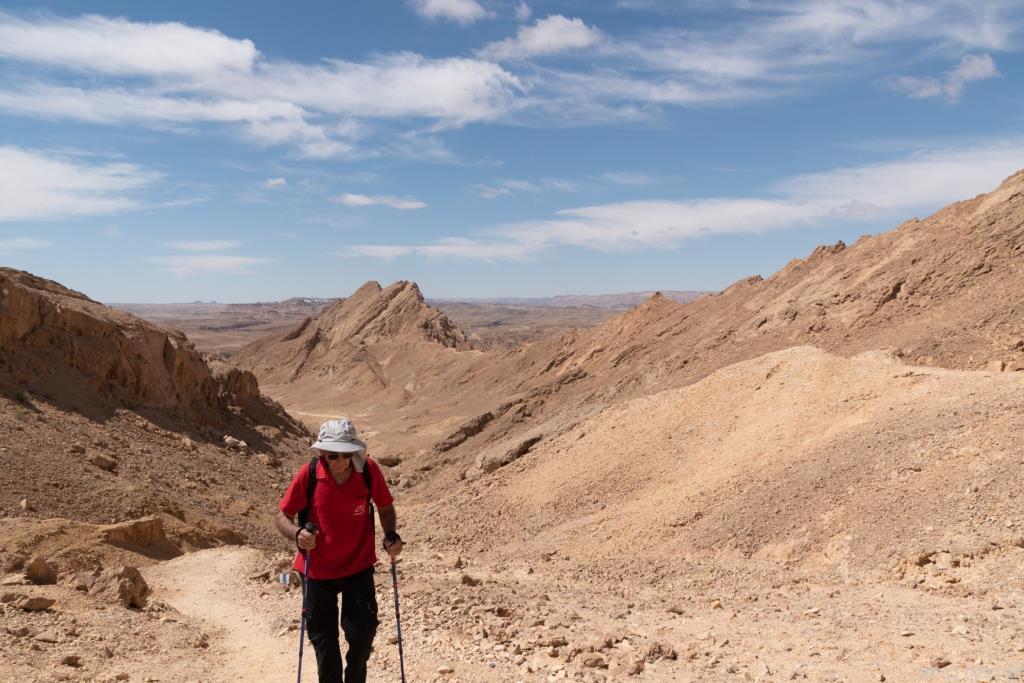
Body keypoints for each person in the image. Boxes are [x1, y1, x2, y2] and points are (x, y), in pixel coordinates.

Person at [276, 418, 404, 683]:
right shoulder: (309, 474)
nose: (340, 461)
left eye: (346, 454)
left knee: (362, 634)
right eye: (333, 455)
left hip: (358, 566)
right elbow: (282, 516)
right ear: (322, 452)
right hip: (316, 570)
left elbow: (385, 506)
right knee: (324, 643)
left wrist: (390, 535)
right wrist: (298, 535)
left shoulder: (367, 470)